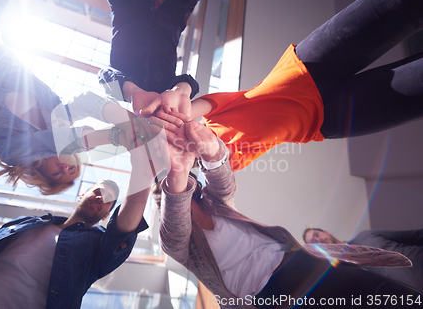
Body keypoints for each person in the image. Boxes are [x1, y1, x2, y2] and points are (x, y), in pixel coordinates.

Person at [113, 0, 423, 172]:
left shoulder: (202, 117)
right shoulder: (216, 164)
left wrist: (179, 90)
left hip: (304, 67)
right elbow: (215, 164)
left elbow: (188, 101)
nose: (167, 139)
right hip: (330, 119)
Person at [154, 110, 421, 309]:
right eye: (169, 184)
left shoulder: (216, 203)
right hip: (271, 298)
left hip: (298, 263)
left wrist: (211, 152)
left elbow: (223, 180)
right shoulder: (175, 243)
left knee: (390, 296)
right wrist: (175, 170)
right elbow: (176, 222)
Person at [0, 0, 147, 195]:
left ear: (41, 174)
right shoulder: (60, 113)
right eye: (71, 169)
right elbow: (88, 101)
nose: (64, 167)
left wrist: (117, 137)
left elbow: (58, 142)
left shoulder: (12, 153)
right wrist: (131, 123)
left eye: (58, 174)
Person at [0, 128, 164, 308]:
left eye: (109, 199)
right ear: (83, 193)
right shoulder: (24, 224)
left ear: (108, 214)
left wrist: (143, 170)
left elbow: (123, 230)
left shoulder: (95, 245)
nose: (101, 197)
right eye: (98, 191)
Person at [98, 0, 220, 116]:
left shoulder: (121, 90)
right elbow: (189, 81)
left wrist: (133, 92)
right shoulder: (167, 93)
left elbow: (104, 75)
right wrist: (181, 91)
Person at [304, 228, 423, 293]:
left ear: (326, 232)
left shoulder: (366, 236)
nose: (318, 240)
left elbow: (416, 236)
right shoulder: (344, 273)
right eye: (314, 243)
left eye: (317, 234)